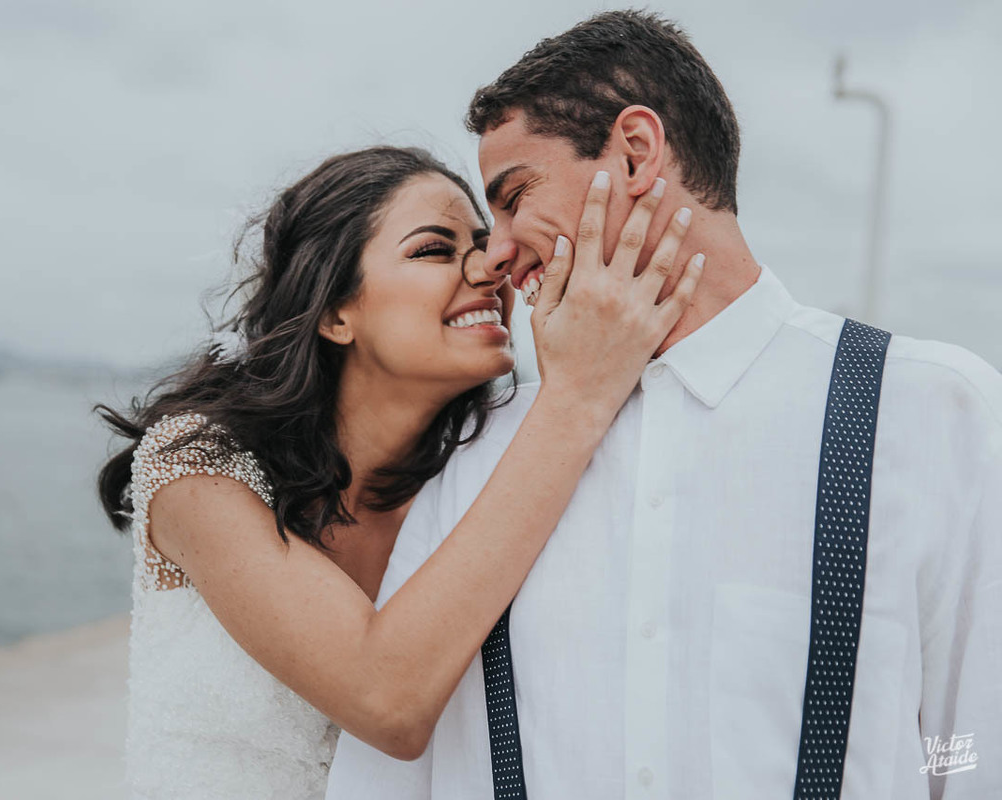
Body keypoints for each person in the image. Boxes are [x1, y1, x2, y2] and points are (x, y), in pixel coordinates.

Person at [327, 10, 1001, 800]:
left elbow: (972, 745)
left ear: (636, 153)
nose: (497, 252)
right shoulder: (475, 463)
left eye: (514, 198)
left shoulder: (932, 412)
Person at [96, 145, 703, 798]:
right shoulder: (197, 465)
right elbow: (387, 699)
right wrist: (579, 394)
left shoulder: (481, 473)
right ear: (335, 312)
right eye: (435, 250)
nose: (490, 265)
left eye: (483, 243)